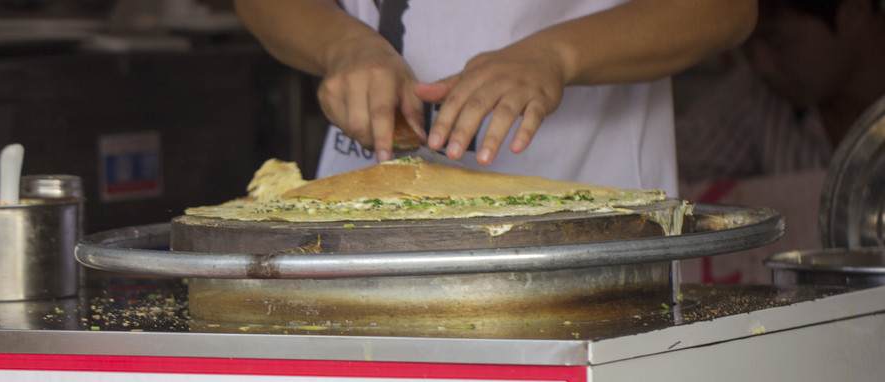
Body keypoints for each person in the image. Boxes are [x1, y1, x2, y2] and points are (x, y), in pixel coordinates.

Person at [233, 0, 757, 195]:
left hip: (592, 231)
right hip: (364, 226)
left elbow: (726, 10)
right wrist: (342, 45)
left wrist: (558, 56)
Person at [676, 0, 885, 182]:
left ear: (854, 10)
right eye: (745, 42)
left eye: (777, 41)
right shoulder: (754, 97)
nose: (761, 65)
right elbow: (675, 170)